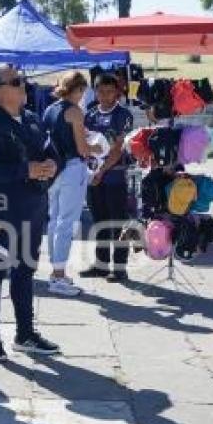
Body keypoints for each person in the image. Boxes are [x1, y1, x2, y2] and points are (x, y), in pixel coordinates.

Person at [0, 63, 61, 362]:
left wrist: (51, 167)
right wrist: (28, 169)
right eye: (16, 81)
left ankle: (25, 333)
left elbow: (53, 153)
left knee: (26, 270)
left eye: (23, 80)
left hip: (33, 207)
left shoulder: (32, 119)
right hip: (0, 209)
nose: (24, 85)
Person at [43, 71, 101, 297]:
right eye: (82, 91)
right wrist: (99, 148)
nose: (83, 95)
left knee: (55, 221)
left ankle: (56, 270)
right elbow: (83, 149)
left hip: (54, 170)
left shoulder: (50, 109)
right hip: (71, 168)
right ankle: (58, 275)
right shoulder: (75, 111)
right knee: (67, 223)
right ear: (77, 90)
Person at [80, 74, 135, 282]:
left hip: (114, 177)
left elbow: (118, 149)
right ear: (95, 91)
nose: (105, 95)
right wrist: (90, 172)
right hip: (93, 177)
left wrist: (101, 171)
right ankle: (101, 265)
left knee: (117, 223)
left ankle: (120, 268)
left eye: (110, 91)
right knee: (99, 222)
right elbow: (86, 144)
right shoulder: (90, 114)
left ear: (117, 92)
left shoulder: (123, 115)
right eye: (101, 91)